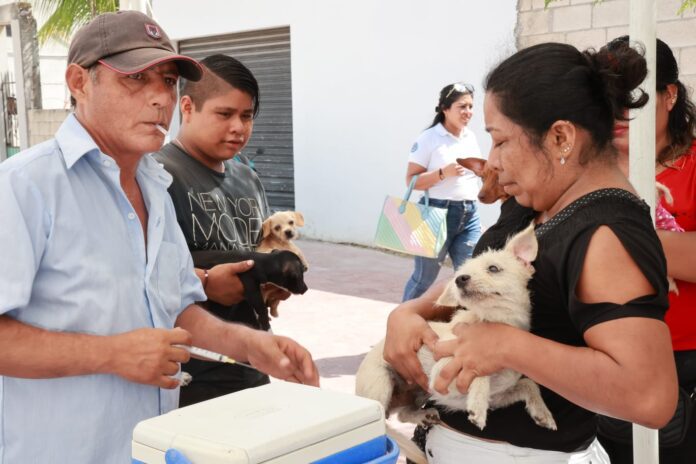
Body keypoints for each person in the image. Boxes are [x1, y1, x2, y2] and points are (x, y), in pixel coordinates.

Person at [0, 11, 318, 463]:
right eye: (136, 79)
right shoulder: (25, 187)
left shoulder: (155, 187)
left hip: (150, 448)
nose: (159, 99)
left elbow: (177, 307)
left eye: (168, 81)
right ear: (79, 82)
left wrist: (251, 346)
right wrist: (110, 354)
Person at [385, 42, 678, 464]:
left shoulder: (606, 233)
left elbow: (649, 397)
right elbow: (488, 276)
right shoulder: (537, 200)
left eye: (501, 141)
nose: (494, 163)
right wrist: (411, 312)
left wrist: (508, 346)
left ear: (560, 137)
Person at [153, 54, 289, 406]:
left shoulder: (247, 176)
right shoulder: (156, 176)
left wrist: (273, 281)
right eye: (224, 114)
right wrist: (208, 281)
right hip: (190, 371)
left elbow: (256, 248)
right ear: (187, 106)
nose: (238, 127)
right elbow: (141, 272)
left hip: (252, 357)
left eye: (246, 116)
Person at [597, 36, 696, 464]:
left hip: (682, 362)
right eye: (608, 97)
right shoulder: (587, 167)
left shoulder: (691, 165)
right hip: (599, 357)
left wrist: (613, 239)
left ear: (669, 95)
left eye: (634, 96)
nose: (620, 110)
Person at [402, 82, 482, 301]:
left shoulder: (470, 136)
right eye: (462, 106)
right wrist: (442, 173)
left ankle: (466, 327)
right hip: (435, 215)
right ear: (445, 109)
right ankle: (402, 321)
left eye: (470, 106)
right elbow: (411, 181)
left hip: (469, 214)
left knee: (470, 276)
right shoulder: (428, 139)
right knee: (423, 279)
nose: (468, 112)